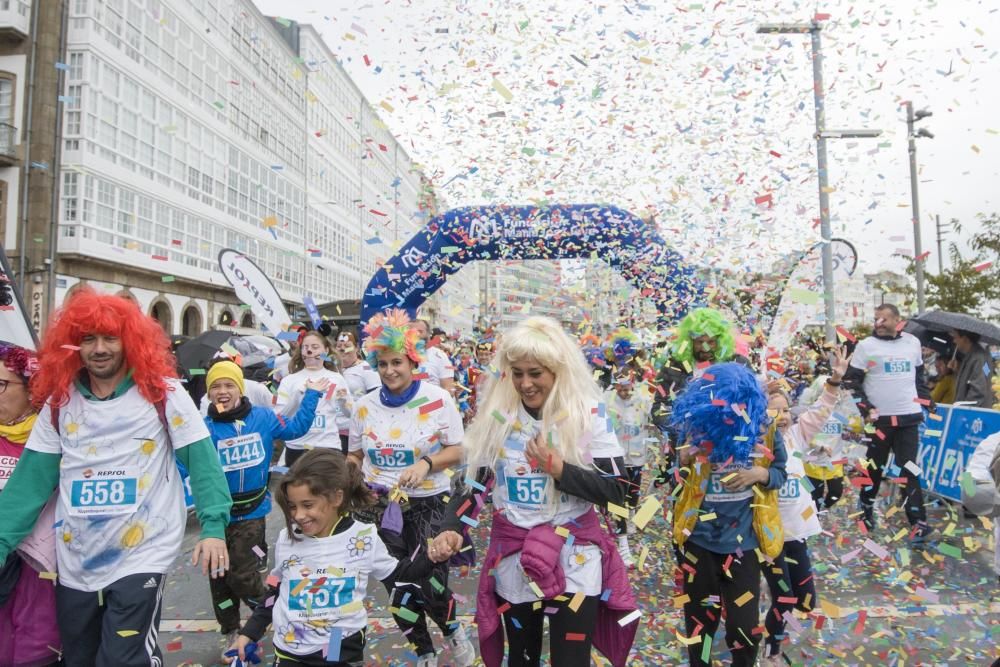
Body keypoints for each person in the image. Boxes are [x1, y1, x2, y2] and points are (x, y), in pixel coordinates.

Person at [0, 288, 232, 666]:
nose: (99, 348)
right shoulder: (61, 403)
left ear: (131, 341)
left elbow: (204, 463)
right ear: (74, 345)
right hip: (77, 562)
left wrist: (212, 527)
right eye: (88, 339)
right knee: (79, 659)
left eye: (110, 338)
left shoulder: (163, 393)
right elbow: (29, 485)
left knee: (125, 659)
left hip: (142, 554)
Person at [432, 316, 638, 667]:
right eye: (517, 373)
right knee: (522, 658)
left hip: (575, 557)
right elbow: (475, 484)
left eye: (535, 373)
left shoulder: (588, 414)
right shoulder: (499, 416)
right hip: (516, 557)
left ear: (557, 372)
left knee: (570, 661)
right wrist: (451, 527)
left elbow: (620, 491)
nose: (525, 384)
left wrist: (559, 470)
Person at [224, 449, 448, 666]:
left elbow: (400, 574)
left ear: (336, 498)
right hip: (289, 649)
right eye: (292, 506)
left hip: (337, 646)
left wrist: (432, 557)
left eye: (308, 505)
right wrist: (249, 634)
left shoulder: (363, 536)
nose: (298, 515)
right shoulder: (287, 538)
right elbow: (274, 591)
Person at [347, 309, 474, 667]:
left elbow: (458, 450)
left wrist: (426, 463)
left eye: (397, 362)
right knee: (397, 586)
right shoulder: (363, 405)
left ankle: (451, 630)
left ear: (412, 360)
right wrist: (348, 474)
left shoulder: (437, 399)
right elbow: (355, 453)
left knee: (432, 583)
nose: (389, 371)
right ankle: (424, 652)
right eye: (382, 363)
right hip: (380, 506)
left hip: (430, 501)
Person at [203, 360, 329, 648]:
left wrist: (311, 396)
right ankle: (231, 632)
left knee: (244, 576)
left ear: (239, 388)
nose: (222, 392)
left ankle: (275, 610)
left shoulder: (262, 417)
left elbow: (296, 428)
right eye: (216, 387)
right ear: (209, 393)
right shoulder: (204, 428)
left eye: (228, 385)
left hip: (252, 515)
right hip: (216, 517)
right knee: (219, 579)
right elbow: (184, 466)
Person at [670, 362, 787, 667]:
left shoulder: (765, 428)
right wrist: (682, 462)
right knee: (700, 627)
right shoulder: (695, 427)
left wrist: (758, 473)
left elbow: (780, 473)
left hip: (743, 546)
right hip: (699, 544)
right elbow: (676, 483)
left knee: (744, 629)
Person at [762, 347, 848, 662]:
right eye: (775, 411)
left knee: (806, 600)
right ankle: (771, 650)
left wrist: (835, 380)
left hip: (797, 535)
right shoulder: (756, 447)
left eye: (786, 410)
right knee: (784, 598)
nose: (783, 416)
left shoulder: (796, 436)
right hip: (770, 539)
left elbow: (821, 410)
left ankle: (774, 622)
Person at [843, 304, 934, 540]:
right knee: (874, 468)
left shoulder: (912, 343)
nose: (879, 324)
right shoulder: (866, 346)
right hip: (879, 421)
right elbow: (851, 381)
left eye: (884, 319)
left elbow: (918, 376)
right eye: (876, 319)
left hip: (908, 417)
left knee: (909, 468)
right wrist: (866, 408)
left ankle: (919, 521)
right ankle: (866, 512)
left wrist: (925, 400)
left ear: (897, 320)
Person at [0, 342, 60, 666]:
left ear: (31, 387)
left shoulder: (52, 438)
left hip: (39, 570)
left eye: (1, 384)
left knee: (32, 653)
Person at [603, 366, 656, 567]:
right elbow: (594, 423)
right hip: (615, 459)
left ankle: (632, 514)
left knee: (632, 495)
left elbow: (657, 417)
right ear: (615, 385)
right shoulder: (605, 400)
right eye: (621, 388)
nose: (624, 392)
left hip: (636, 458)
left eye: (628, 388)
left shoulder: (643, 400)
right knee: (617, 502)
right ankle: (623, 545)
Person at [276, 330, 352, 462]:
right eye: (306, 347)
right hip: (297, 447)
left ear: (326, 351)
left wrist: (343, 401)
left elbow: (348, 414)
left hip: (328, 447)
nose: (309, 351)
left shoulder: (336, 378)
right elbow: (280, 417)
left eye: (315, 347)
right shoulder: (289, 380)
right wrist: (299, 395)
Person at [199, 354, 276, 416]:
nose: (222, 391)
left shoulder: (258, 388)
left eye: (229, 385)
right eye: (216, 385)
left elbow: (277, 411)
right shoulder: (207, 399)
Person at [950, 329, 995, 408]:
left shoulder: (978, 358)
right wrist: (957, 371)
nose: (954, 341)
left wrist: (963, 409)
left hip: (973, 414)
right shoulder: (973, 356)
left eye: (955, 337)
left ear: (965, 339)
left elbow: (978, 390)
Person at [410, 318, 456, 395]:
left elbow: (450, 390)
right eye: (412, 331)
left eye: (420, 331)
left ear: (428, 334)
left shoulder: (440, 356)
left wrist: (423, 406)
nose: (416, 334)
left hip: (431, 405)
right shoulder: (401, 355)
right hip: (406, 405)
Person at [336, 330, 381, 399]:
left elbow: (376, 396)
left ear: (356, 347)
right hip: (335, 409)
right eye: (339, 346)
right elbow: (328, 397)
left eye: (347, 346)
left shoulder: (365, 367)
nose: (342, 349)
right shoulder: (333, 369)